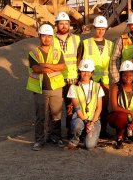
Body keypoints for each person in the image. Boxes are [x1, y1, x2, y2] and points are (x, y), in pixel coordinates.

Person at [27, 24, 65, 151]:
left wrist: (46, 65)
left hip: (56, 88)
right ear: (39, 37)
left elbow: (61, 67)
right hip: (40, 89)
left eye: (49, 36)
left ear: (52, 37)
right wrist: (51, 67)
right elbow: (36, 69)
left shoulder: (57, 52)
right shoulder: (33, 53)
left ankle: (55, 137)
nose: (47, 39)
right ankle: (39, 140)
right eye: (44, 36)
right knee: (40, 116)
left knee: (56, 115)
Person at [81, 15, 114, 138]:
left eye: (103, 29)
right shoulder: (86, 43)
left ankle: (103, 130)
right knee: (89, 105)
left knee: (104, 107)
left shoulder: (110, 44)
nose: (100, 31)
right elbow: (80, 61)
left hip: (104, 81)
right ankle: (87, 130)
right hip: (90, 80)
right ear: (94, 28)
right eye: (98, 28)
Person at [53, 11, 81, 139]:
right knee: (55, 109)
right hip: (56, 78)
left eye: (66, 24)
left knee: (71, 107)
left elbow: (79, 58)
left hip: (72, 79)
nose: (64, 26)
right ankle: (56, 134)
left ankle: (70, 132)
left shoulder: (77, 39)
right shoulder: (51, 39)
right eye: (61, 24)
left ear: (69, 25)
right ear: (56, 25)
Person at [66, 59, 104, 150]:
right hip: (80, 118)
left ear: (92, 73)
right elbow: (77, 108)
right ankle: (75, 139)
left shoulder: (97, 86)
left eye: (88, 71)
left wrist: (92, 122)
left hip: (93, 119)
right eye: (83, 71)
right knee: (77, 125)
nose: (86, 74)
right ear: (79, 72)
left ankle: (86, 135)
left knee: (89, 146)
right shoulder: (73, 87)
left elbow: (99, 108)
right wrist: (86, 122)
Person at [108, 60, 133, 149]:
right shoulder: (116, 87)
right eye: (125, 75)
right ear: (121, 75)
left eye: (130, 75)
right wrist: (129, 111)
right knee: (122, 116)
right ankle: (120, 137)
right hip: (116, 116)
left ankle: (127, 133)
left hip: (131, 118)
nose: (128, 77)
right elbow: (114, 107)